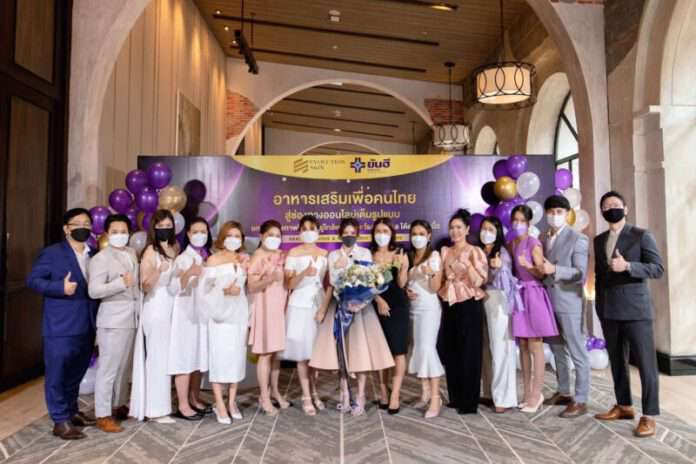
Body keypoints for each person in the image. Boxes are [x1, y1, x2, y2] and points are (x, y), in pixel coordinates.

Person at [593, 191, 664, 438]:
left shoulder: (641, 235)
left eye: (615, 204)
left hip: (636, 311)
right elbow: (599, 276)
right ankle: (624, 406)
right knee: (617, 361)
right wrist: (599, 306)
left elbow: (657, 269)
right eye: (606, 206)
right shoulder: (599, 240)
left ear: (625, 209)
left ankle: (650, 416)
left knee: (646, 364)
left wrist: (628, 266)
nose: (610, 208)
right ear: (602, 212)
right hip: (609, 310)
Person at [310, 217, 394, 416]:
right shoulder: (333, 255)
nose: (349, 236)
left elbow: (370, 280)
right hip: (340, 307)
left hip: (361, 309)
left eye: (353, 233)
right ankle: (345, 394)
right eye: (346, 233)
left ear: (357, 235)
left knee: (360, 352)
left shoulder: (364, 253)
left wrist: (362, 300)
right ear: (340, 234)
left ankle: (361, 396)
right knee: (342, 352)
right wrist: (323, 308)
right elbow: (332, 284)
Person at [27, 208, 99, 440]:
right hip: (61, 325)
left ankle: (72, 411)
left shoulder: (94, 253)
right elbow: (33, 280)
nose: (83, 227)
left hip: (87, 324)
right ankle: (60, 421)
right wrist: (60, 287)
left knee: (76, 372)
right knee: (57, 374)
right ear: (66, 229)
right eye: (77, 223)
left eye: (87, 223)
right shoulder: (52, 253)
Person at [538, 195, 591, 418]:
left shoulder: (578, 238)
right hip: (549, 301)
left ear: (567, 214)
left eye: (559, 212)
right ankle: (563, 391)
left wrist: (555, 270)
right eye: (551, 212)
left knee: (577, 351)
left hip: (570, 303)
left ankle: (581, 399)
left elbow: (580, 274)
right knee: (557, 349)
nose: (554, 215)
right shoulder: (543, 237)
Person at [87, 214, 139, 433]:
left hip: (132, 317)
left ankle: (118, 405)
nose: (120, 235)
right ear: (107, 234)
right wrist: (119, 283)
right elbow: (94, 290)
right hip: (112, 319)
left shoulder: (131, 253)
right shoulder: (101, 258)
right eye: (115, 231)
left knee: (124, 367)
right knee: (108, 368)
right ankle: (102, 414)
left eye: (124, 231)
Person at [198, 221, 250, 424]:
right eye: (230, 236)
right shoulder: (213, 260)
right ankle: (219, 403)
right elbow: (204, 291)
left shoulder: (243, 258)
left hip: (239, 314)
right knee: (219, 358)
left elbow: (245, 286)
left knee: (237, 358)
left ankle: (231, 401)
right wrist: (224, 291)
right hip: (220, 316)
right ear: (222, 238)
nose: (233, 240)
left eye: (237, 236)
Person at [437, 209, 488, 415]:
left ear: (467, 229)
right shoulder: (444, 251)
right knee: (451, 349)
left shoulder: (475, 251)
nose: (455, 231)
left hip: (469, 303)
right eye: (452, 227)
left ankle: (469, 401)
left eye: (459, 227)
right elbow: (440, 278)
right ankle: (455, 396)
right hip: (449, 302)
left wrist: (467, 266)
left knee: (470, 351)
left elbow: (479, 281)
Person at [509, 204, 559, 414]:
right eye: (515, 220)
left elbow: (542, 273)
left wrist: (528, 265)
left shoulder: (533, 243)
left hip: (534, 294)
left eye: (522, 220)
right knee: (522, 345)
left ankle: (537, 395)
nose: (518, 224)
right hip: (519, 295)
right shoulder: (512, 243)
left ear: (529, 223)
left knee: (535, 345)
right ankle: (527, 393)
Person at [130, 209, 179, 424]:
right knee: (158, 358)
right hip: (156, 308)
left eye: (168, 226)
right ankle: (155, 409)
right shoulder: (150, 251)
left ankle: (162, 405)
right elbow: (145, 285)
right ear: (153, 229)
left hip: (171, 307)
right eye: (160, 227)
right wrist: (159, 270)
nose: (164, 230)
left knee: (166, 359)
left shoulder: (174, 248)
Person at [282, 215, 328, 416]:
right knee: (302, 354)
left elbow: (329, 283)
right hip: (299, 305)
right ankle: (306, 396)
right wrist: (304, 273)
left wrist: (324, 307)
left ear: (319, 231)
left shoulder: (325, 254)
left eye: (312, 228)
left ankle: (314, 391)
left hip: (318, 304)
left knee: (314, 353)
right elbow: (289, 284)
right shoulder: (293, 253)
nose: (308, 232)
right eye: (304, 228)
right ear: (299, 232)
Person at [168, 217, 212, 420]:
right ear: (188, 234)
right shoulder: (182, 259)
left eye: (203, 231)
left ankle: (194, 397)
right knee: (184, 359)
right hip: (185, 316)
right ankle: (183, 404)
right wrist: (188, 273)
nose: (200, 235)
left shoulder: (208, 256)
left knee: (198, 358)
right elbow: (173, 287)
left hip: (202, 316)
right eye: (195, 232)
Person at [247, 219, 289, 416]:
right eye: (270, 235)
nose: (274, 239)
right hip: (264, 308)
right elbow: (252, 286)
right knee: (265, 354)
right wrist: (270, 278)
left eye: (278, 236)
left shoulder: (281, 255)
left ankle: (275, 392)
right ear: (262, 236)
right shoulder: (258, 256)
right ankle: (263, 396)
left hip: (279, 307)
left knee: (275, 353)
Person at [478, 216, 520, 414]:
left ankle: (504, 397)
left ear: (498, 233)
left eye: (490, 230)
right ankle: (489, 392)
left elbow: (507, 279)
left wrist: (498, 267)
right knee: (486, 348)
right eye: (483, 229)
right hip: (481, 299)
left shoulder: (502, 253)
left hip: (498, 300)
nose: (486, 233)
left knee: (501, 348)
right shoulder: (479, 251)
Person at [405, 220, 445, 419]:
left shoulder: (434, 256)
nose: (417, 237)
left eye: (421, 233)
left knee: (427, 348)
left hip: (429, 309)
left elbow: (435, 288)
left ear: (429, 236)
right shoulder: (409, 256)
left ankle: (436, 398)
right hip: (413, 308)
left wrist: (431, 274)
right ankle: (425, 392)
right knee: (417, 348)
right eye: (414, 234)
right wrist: (406, 290)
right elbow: (405, 281)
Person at [371, 217, 410, 415]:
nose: (382, 235)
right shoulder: (369, 255)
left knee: (399, 351)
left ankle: (395, 394)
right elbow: (365, 283)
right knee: (381, 351)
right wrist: (378, 300)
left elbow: (402, 284)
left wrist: (403, 267)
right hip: (376, 305)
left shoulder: (400, 252)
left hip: (398, 306)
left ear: (392, 233)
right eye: (378, 231)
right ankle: (383, 392)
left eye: (385, 231)